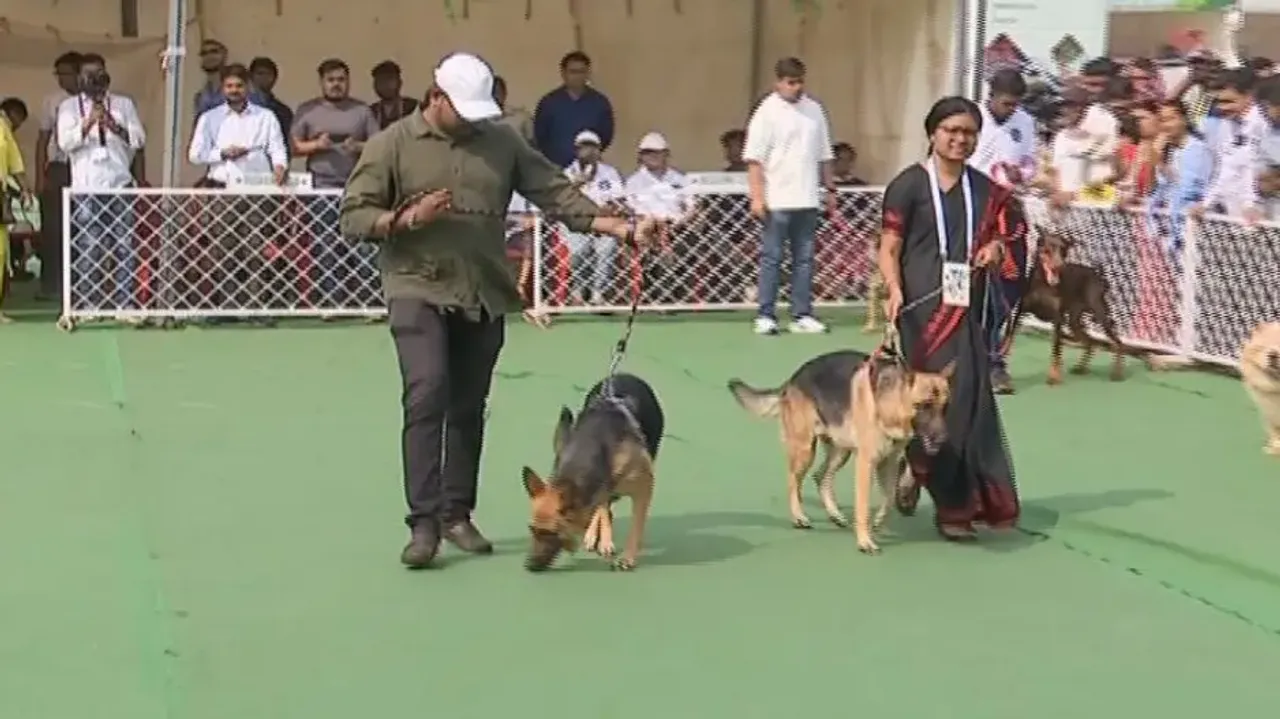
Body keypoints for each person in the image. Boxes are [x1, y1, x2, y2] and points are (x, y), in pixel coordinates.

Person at [339, 52, 657, 569]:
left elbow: (556, 194)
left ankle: (457, 513)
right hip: (415, 285)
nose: (472, 120)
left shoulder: (502, 141)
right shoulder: (391, 144)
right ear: (436, 97)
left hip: (482, 291)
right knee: (427, 393)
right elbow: (353, 215)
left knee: (468, 404)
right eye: (463, 110)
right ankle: (423, 525)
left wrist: (619, 228)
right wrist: (404, 218)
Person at [877, 96, 1022, 541]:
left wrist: (995, 250)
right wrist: (893, 288)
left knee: (964, 407)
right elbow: (889, 247)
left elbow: (1010, 240)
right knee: (923, 404)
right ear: (933, 133)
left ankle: (954, 508)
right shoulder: (908, 185)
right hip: (921, 311)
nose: (960, 140)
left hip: (965, 312)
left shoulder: (986, 191)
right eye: (951, 131)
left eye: (968, 133)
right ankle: (919, 466)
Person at [743, 56, 836, 336]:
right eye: (790, 82)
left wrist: (830, 190)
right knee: (772, 258)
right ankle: (766, 314)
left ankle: (801, 313)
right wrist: (757, 197)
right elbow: (754, 159)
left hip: (807, 198)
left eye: (799, 82)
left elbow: (824, 155)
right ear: (778, 82)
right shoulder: (766, 112)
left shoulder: (815, 110)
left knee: (805, 259)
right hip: (777, 200)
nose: (795, 88)